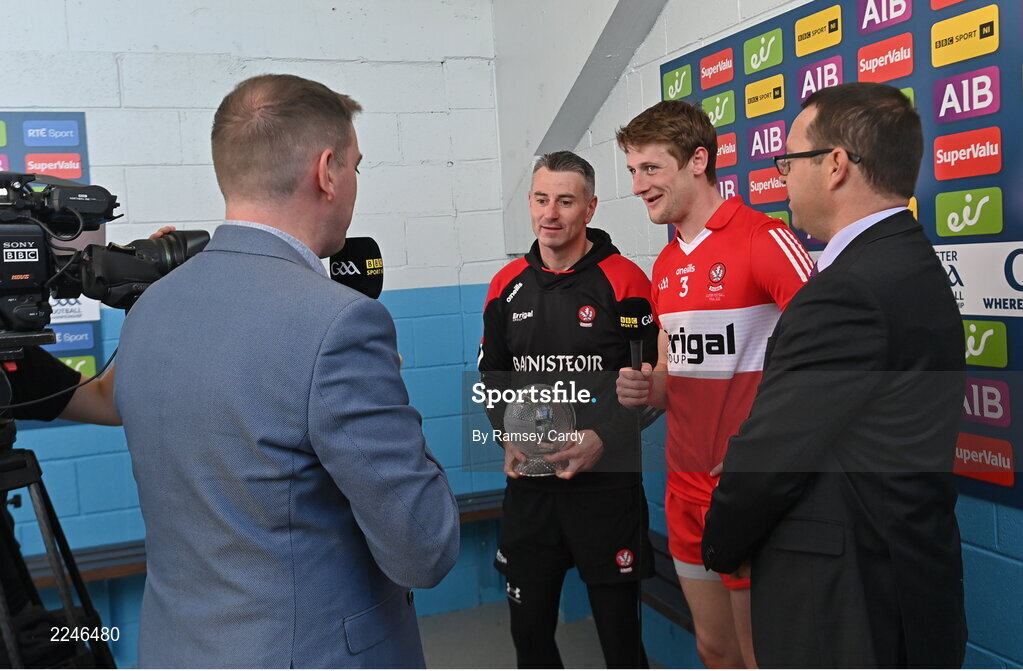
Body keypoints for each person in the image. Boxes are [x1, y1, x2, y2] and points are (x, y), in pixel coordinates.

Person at [113, 74, 460, 668]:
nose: (353, 185)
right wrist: (393, 410)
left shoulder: (149, 307)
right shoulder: (341, 324)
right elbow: (423, 548)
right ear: (326, 171)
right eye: (355, 166)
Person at [701, 82, 968, 668]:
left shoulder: (848, 290)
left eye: (789, 161)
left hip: (847, 604)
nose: (781, 178)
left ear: (836, 166)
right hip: (902, 580)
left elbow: (775, 454)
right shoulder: (908, 260)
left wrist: (724, 543)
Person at [614, 100, 812, 668]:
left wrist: (768, 450)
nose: (638, 185)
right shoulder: (666, 264)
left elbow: (828, 349)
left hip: (744, 490)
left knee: (761, 654)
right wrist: (647, 389)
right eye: (632, 170)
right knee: (716, 649)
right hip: (683, 486)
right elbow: (671, 372)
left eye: (650, 169)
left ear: (697, 160)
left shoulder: (764, 238)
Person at [478, 151, 658, 668]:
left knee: (622, 646)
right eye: (540, 200)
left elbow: (650, 389)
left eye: (565, 201)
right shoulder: (505, 285)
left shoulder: (625, 282)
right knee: (531, 642)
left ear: (590, 208)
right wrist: (505, 436)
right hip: (531, 493)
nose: (550, 214)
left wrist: (603, 437)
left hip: (607, 492)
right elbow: (493, 377)